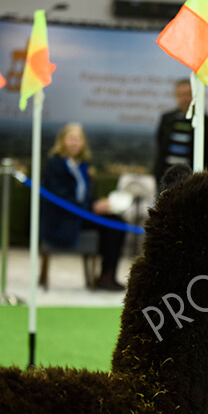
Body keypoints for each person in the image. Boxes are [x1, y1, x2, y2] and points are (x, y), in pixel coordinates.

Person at [41, 123, 125, 291]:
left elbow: (86, 195)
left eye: (78, 139)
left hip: (82, 213)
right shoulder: (55, 164)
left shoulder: (83, 165)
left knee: (117, 221)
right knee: (112, 226)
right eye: (71, 139)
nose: (75, 143)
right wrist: (92, 207)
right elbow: (61, 198)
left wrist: (99, 204)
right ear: (62, 141)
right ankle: (105, 276)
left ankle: (107, 276)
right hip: (63, 218)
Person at [153, 78, 208, 189]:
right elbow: (160, 149)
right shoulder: (167, 119)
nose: (185, 99)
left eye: (189, 94)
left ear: (196, 96)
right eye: (181, 94)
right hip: (166, 182)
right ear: (176, 96)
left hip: (193, 184)